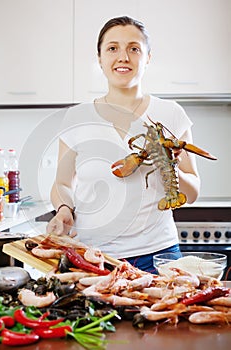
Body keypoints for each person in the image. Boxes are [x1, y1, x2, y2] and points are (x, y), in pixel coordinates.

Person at [46, 16, 200, 273]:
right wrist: (63, 209)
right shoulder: (76, 117)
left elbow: (193, 192)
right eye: (112, 48)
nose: (123, 57)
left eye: (134, 48)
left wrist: (171, 166)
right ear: (100, 58)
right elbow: (62, 183)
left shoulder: (171, 113)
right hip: (93, 255)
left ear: (148, 57)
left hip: (160, 254)